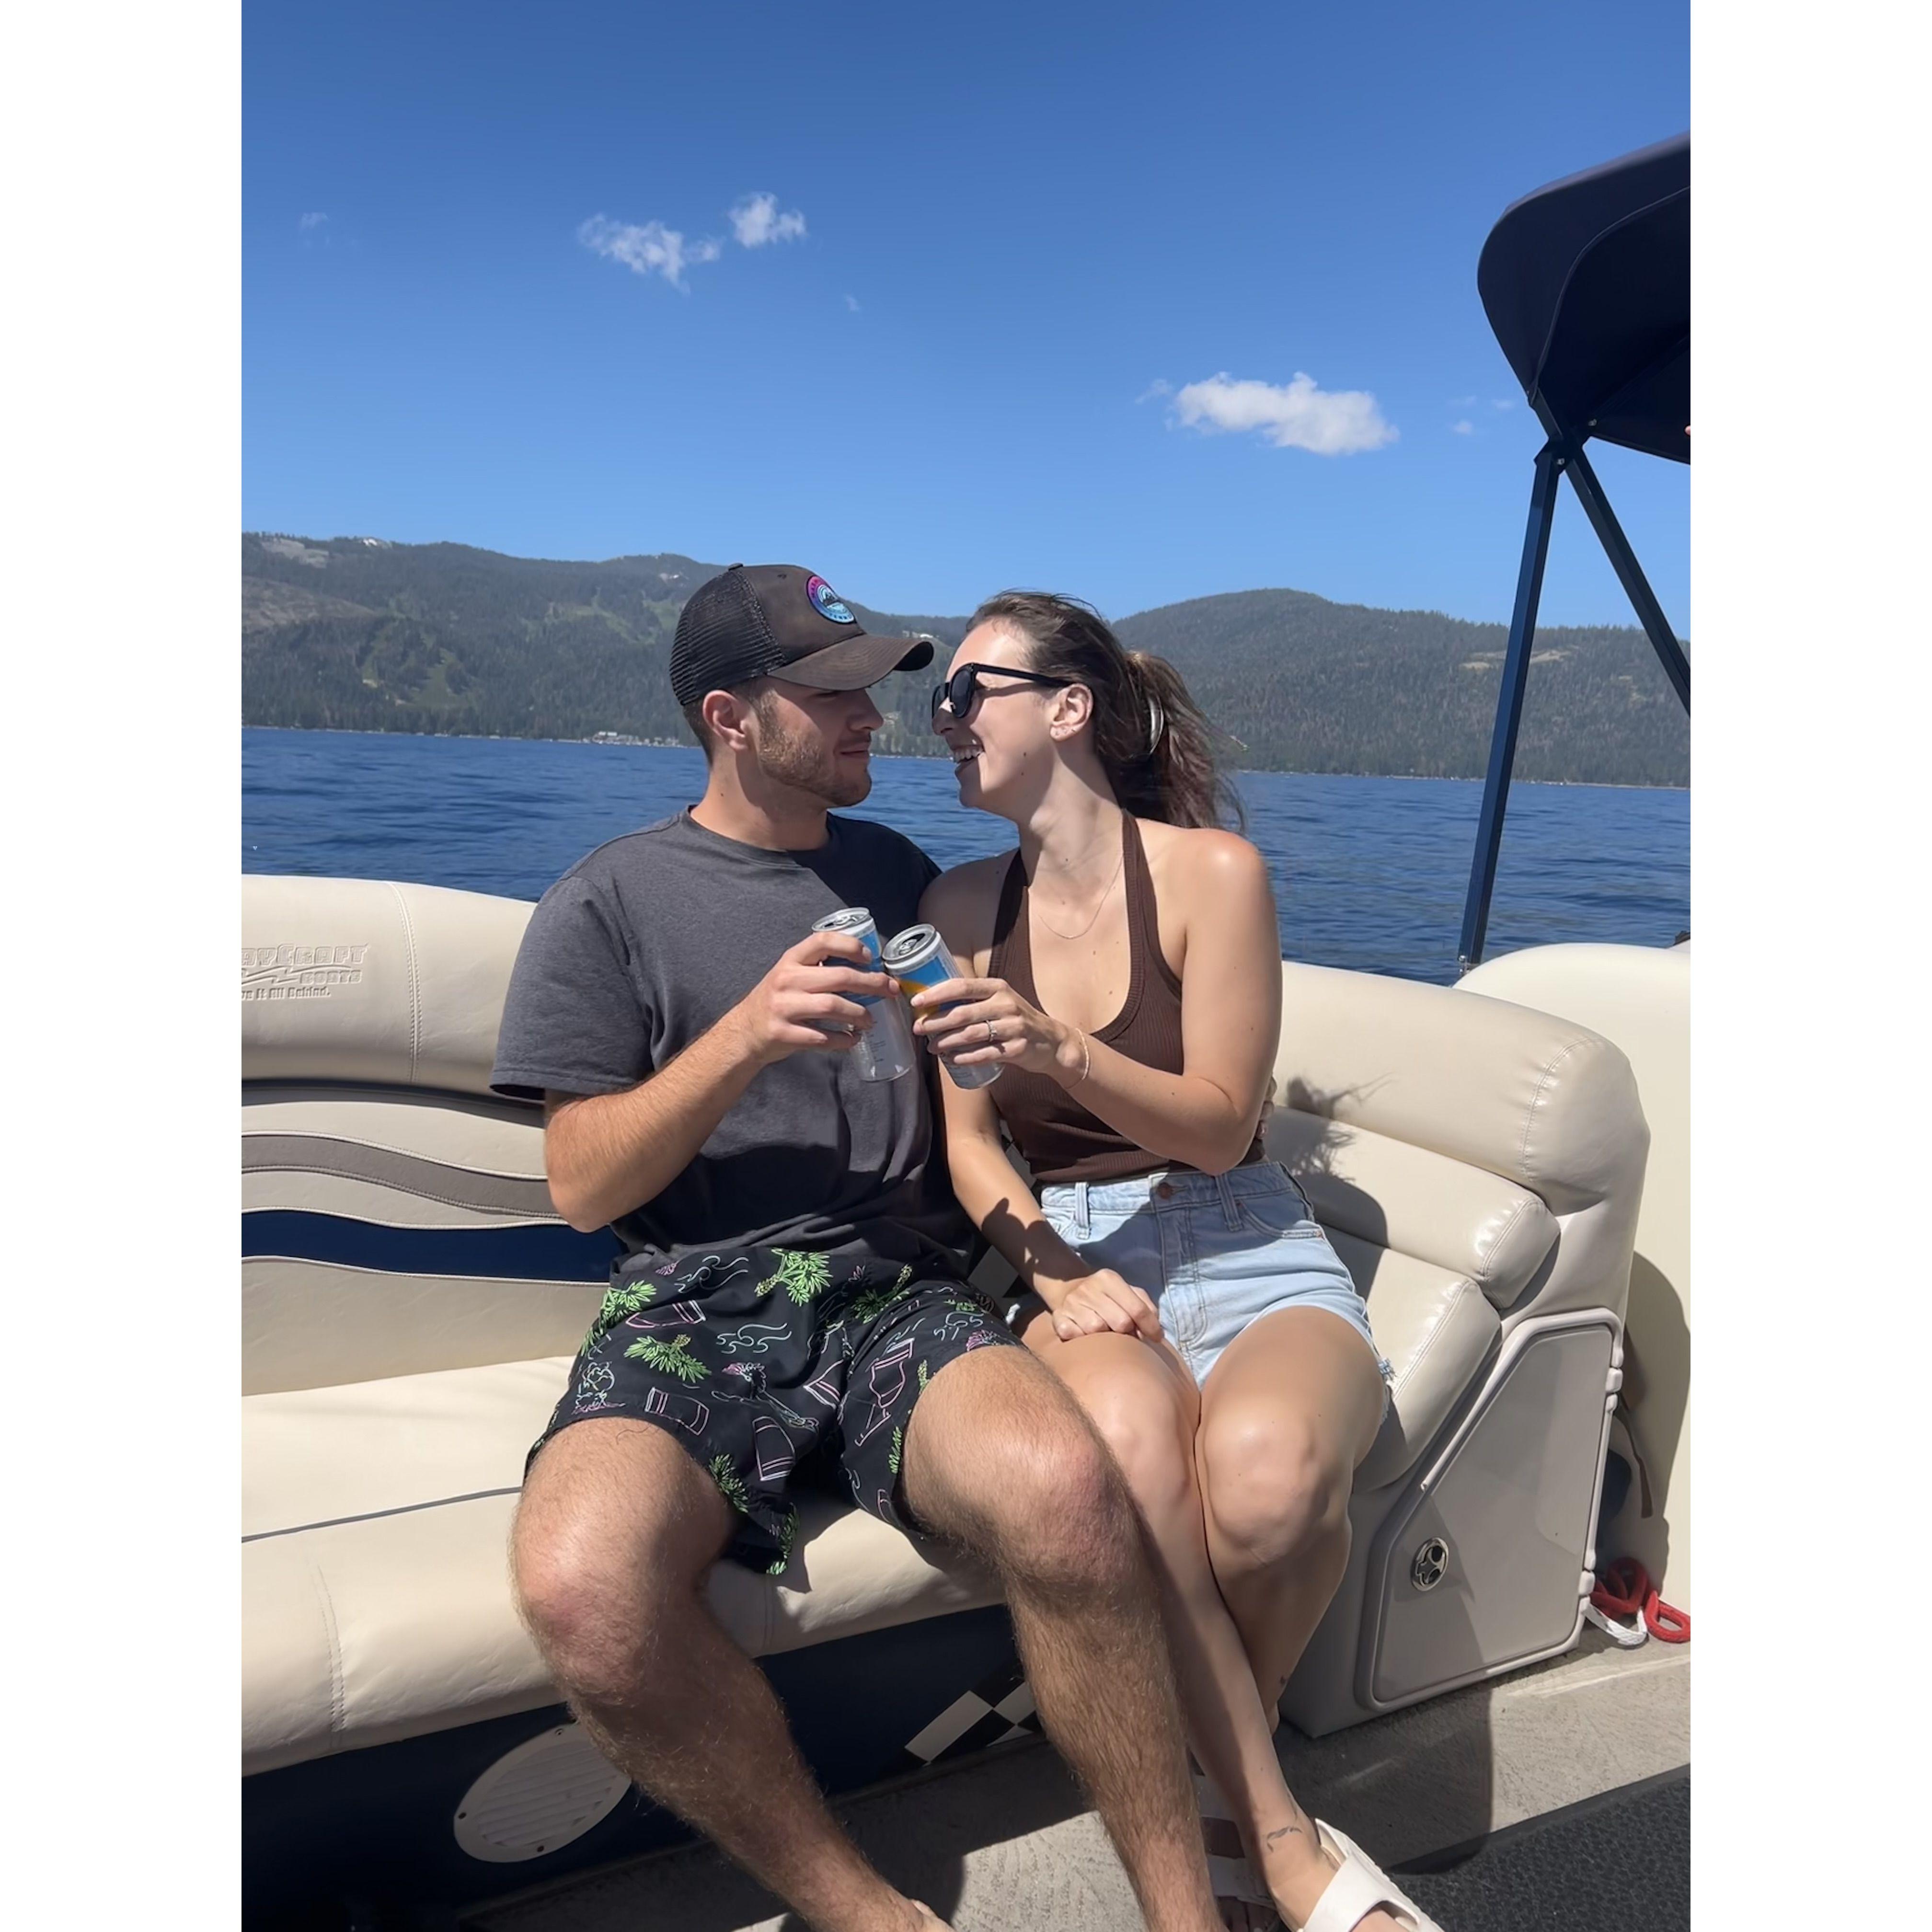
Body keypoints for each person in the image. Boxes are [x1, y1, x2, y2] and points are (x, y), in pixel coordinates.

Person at [493, 564, 1228, 1932]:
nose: (872, 717)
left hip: (899, 1293)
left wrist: (1061, 1249)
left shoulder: (905, 881)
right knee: (582, 1589)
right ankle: (867, 1915)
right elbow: (582, 1186)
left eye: (872, 688)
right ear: (730, 717)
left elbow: (1019, 1044)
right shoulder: (607, 902)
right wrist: (740, 1040)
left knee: (1069, 1491)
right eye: (831, 694)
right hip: (696, 1302)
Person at [916, 591, 1441, 1932]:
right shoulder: (960, 906)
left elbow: (1217, 1125)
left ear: (1069, 708)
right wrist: (1048, 1270)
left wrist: (1058, 1045)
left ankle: (1216, 1771)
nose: (944, 721)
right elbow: (972, 1150)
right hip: (1077, 1248)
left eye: (968, 691)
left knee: (1272, 1485)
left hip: (1247, 1233)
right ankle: (1277, 1836)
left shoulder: (1214, 876)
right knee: (1136, 1464)